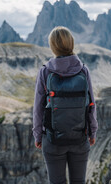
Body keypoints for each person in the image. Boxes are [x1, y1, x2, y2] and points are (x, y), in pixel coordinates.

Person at [32, 26, 98, 184]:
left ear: (52, 46)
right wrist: (92, 132)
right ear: (71, 43)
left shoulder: (45, 72)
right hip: (80, 137)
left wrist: (37, 135)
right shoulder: (83, 70)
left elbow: (38, 108)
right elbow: (90, 104)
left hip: (53, 139)